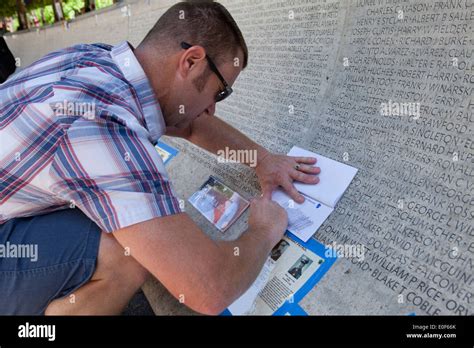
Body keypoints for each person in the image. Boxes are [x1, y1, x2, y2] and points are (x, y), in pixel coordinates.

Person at [0, 0, 320, 315]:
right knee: (124, 256)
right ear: (191, 61)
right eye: (220, 91)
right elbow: (209, 288)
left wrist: (261, 159)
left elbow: (187, 122)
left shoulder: (95, 58)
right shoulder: (102, 130)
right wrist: (263, 231)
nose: (212, 108)